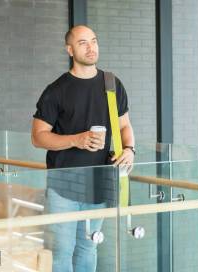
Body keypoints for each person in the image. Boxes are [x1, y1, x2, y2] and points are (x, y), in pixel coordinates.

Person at [31, 25, 135, 272]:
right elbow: (38, 137)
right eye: (82, 43)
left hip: (97, 183)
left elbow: (125, 126)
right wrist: (75, 140)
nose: (91, 47)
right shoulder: (56, 90)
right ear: (69, 49)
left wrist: (130, 149)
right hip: (62, 186)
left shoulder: (112, 84)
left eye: (94, 41)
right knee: (61, 252)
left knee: (88, 248)